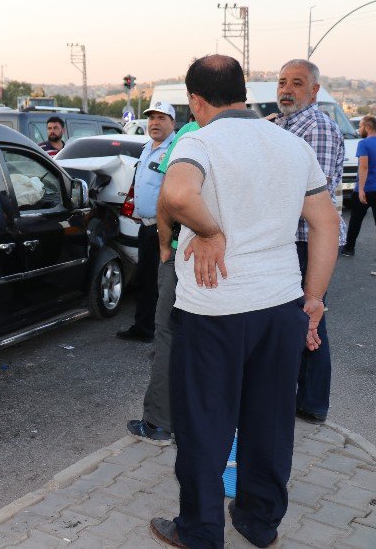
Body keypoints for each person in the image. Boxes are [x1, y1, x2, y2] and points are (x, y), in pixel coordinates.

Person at [149, 55, 340, 549]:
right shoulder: (290, 144)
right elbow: (327, 223)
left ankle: (200, 531)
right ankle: (259, 524)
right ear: (242, 92)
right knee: (270, 421)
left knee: (204, 425)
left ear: (195, 100)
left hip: (214, 309)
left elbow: (177, 190)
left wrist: (210, 230)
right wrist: (314, 298)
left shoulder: (198, 140)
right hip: (281, 306)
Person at [271, 59, 345, 424]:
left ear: (314, 90)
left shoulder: (316, 128)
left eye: (297, 83)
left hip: (308, 240)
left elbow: (315, 196)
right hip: (290, 239)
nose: (286, 89)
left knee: (310, 317)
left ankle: (314, 402)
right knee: (295, 320)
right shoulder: (283, 124)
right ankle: (300, 396)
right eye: (282, 82)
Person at [126, 115, 198, 445]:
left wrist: (164, 242)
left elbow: (171, 196)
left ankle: (158, 423)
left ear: (196, 101)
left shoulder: (188, 134)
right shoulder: (257, 134)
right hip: (226, 258)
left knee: (168, 331)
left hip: (183, 251)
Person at [116, 102, 176, 343]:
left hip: (164, 227)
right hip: (146, 226)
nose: (155, 123)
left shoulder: (175, 149)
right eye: (152, 118)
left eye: (162, 118)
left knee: (161, 283)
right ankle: (144, 327)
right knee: (145, 280)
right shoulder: (147, 148)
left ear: (173, 123)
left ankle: (157, 331)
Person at [342, 115, 376, 262]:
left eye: (360, 126)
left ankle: (349, 248)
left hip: (366, 189)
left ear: (367, 127)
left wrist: (361, 189)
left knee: (355, 220)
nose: (359, 129)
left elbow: (364, 166)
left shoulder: (363, 143)